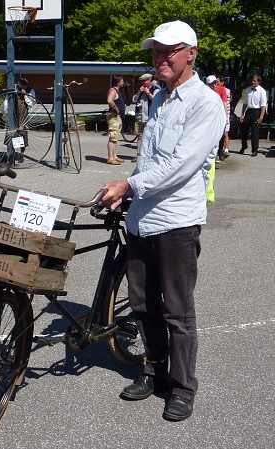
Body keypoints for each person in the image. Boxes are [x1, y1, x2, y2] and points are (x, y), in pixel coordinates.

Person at [100, 20, 226, 421]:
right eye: (155, 51)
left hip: (176, 224)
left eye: (168, 51)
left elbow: (180, 166)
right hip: (141, 221)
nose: (159, 58)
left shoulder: (205, 104)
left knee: (177, 311)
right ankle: (154, 371)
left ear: (191, 53)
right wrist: (130, 194)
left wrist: (128, 184)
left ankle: (183, 387)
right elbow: (150, 159)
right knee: (142, 305)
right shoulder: (158, 99)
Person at [131, 73, 157, 163]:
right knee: (139, 136)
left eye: (144, 81)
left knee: (150, 137)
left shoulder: (155, 89)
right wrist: (139, 92)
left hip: (150, 117)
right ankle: (138, 154)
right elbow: (134, 99)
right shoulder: (141, 90)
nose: (143, 83)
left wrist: (148, 93)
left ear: (150, 80)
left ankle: (148, 155)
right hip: (140, 116)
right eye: (142, 81)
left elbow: (156, 101)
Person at [239, 75, 267, 157]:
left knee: (255, 132)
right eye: (252, 80)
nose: (253, 82)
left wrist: (261, 116)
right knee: (244, 130)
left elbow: (263, 105)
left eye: (255, 81)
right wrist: (242, 114)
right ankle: (244, 146)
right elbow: (245, 103)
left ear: (259, 81)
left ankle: (254, 150)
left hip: (256, 111)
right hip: (249, 110)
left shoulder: (262, 91)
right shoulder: (248, 89)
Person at [206, 75, 228, 162]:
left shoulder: (222, 90)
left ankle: (220, 150)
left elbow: (224, 104)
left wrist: (225, 117)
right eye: (211, 83)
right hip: (209, 116)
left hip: (219, 114)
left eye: (215, 83)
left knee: (221, 134)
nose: (214, 85)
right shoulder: (205, 91)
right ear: (207, 84)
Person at [106, 75, 126, 165]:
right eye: (122, 81)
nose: (123, 82)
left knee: (115, 137)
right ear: (118, 82)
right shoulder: (113, 90)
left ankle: (115, 156)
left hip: (117, 117)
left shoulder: (117, 91)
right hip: (113, 116)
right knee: (113, 136)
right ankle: (110, 158)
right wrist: (116, 109)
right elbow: (110, 100)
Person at [217, 75, 231, 158]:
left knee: (225, 133)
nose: (216, 83)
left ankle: (225, 149)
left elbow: (226, 101)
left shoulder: (226, 90)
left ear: (222, 82)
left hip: (226, 113)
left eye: (218, 81)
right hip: (217, 114)